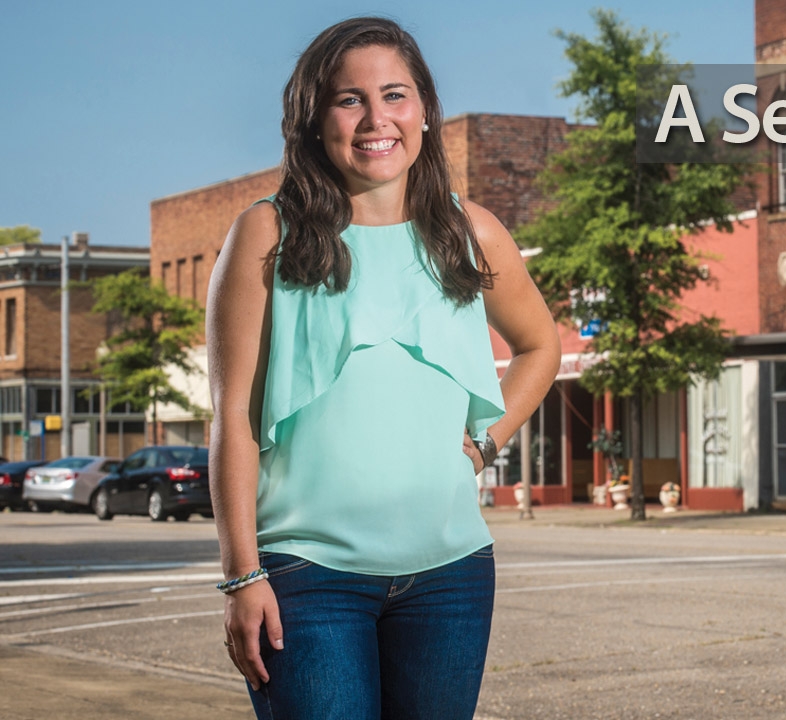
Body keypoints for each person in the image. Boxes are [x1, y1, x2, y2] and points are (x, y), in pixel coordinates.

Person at [205, 17, 560, 720]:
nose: (376, 119)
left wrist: (484, 443)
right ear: (314, 119)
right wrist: (241, 575)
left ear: (423, 109)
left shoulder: (471, 232)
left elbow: (540, 346)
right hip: (307, 577)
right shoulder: (266, 235)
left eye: (394, 95)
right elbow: (234, 421)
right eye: (349, 99)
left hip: (451, 577)